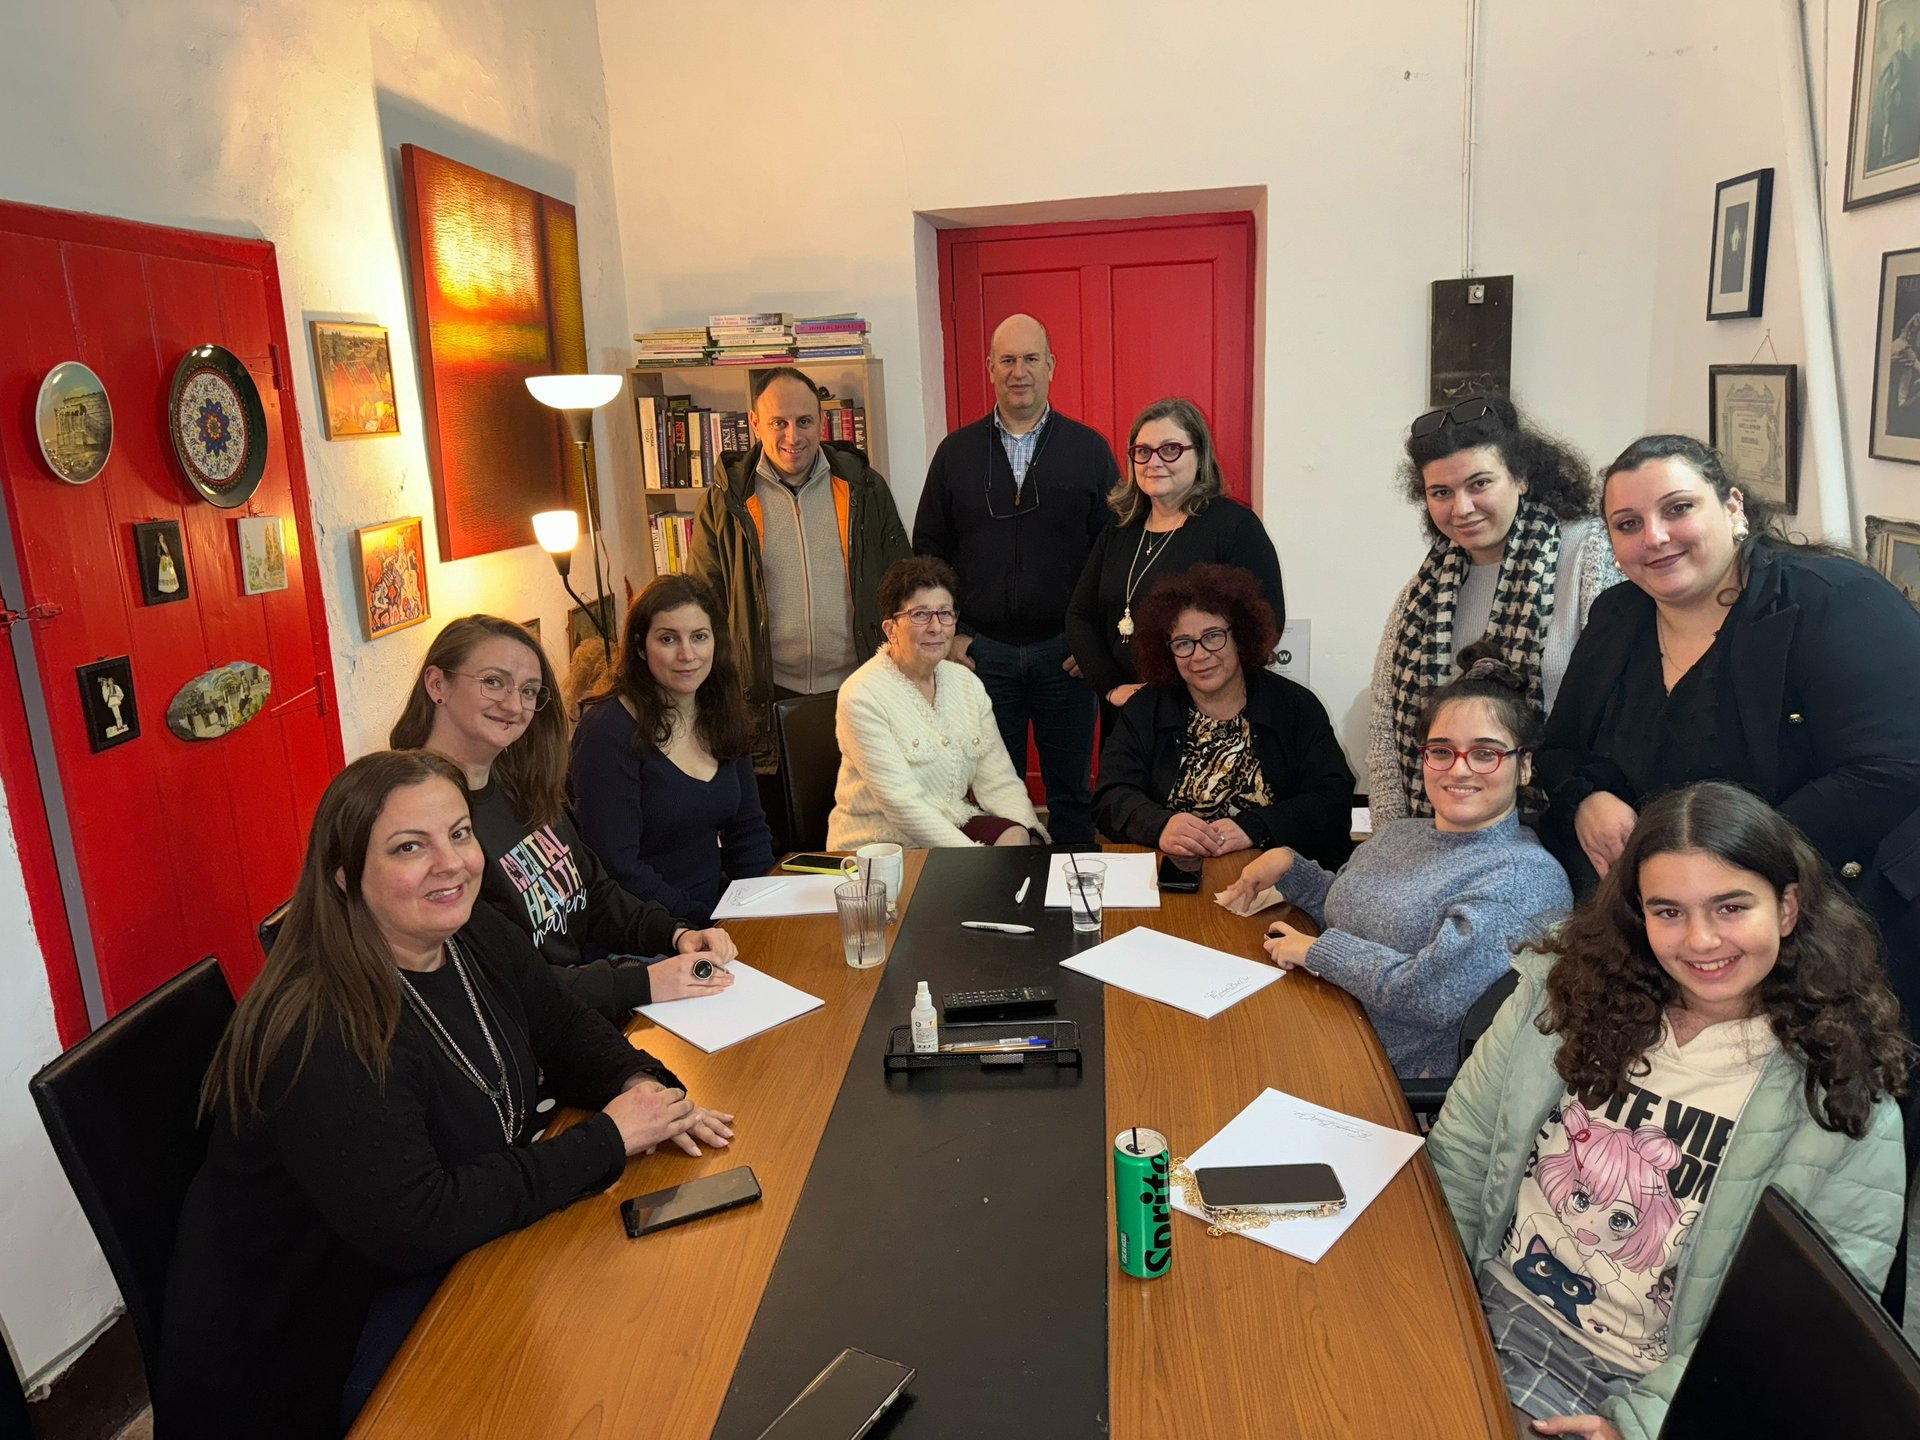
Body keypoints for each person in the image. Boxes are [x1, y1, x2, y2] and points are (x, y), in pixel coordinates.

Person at [155, 750, 736, 1437]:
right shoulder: (322, 1030)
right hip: (308, 1352)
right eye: (410, 847)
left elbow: (565, 1028)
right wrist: (608, 1138)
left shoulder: (470, 933)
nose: (452, 863)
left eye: (460, 834)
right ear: (344, 877)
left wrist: (640, 1085)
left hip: (430, 1263)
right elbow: (419, 1222)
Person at [1428, 781, 1907, 1439]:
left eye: (1731, 907)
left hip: (1654, 1385)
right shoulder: (1562, 997)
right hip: (1491, 1308)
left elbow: (1799, 1335)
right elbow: (1461, 1151)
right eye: (1669, 912)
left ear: (1788, 908)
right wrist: (1426, 1302)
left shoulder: (1844, 1099)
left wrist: (1640, 1423)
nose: (1701, 941)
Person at [1535, 434, 1920, 1033]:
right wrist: (1588, 797)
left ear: (1734, 507)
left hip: (1832, 932)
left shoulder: (1834, 601)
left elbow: (1891, 772)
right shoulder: (1617, 615)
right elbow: (1558, 750)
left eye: (1678, 508)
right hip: (1663, 943)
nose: (1655, 537)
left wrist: (1722, 869)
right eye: (1628, 523)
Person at [1224, 646, 1571, 1079]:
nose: (1459, 770)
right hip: (1312, 1018)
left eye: (1485, 753)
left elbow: (1429, 994)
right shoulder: (1401, 833)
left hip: (1373, 1075)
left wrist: (1318, 951)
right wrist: (1293, 870)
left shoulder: (1522, 878)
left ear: (1523, 767)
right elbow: (1353, 910)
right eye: (1442, 751)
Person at [391, 615, 736, 1020]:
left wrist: (677, 934)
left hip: (588, 1007)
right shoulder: (420, 818)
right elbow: (497, 983)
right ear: (437, 685)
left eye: (529, 691)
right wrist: (644, 981)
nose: (514, 705)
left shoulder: (520, 782)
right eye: (493, 681)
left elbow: (595, 891)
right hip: (539, 1030)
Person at [913, 313, 1118, 846]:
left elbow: (1116, 552)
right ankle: (1001, 908)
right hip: (982, 657)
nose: (1019, 371)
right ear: (990, 369)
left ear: (1051, 366)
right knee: (985, 797)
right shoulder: (955, 454)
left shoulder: (1089, 450)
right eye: (1007, 360)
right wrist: (951, 634)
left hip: (1065, 656)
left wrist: (1094, 639)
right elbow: (928, 553)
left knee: (1072, 794)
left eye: (1030, 359)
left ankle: (1078, 913)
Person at [1368, 394, 1622, 822]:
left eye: (1479, 483)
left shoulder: (1588, 554)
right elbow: (1386, 740)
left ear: (1521, 477)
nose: (1461, 508)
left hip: (1571, 827)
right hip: (1441, 837)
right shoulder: (1422, 592)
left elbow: (1620, 708)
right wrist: (1394, 843)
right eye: (1441, 492)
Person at [689, 365, 910, 842]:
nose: (794, 435)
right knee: (783, 843)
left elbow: (903, 584)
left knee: (864, 838)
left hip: (858, 690)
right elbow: (702, 604)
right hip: (766, 699)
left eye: (805, 421)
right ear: (754, 423)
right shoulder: (724, 502)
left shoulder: (864, 489)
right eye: (779, 423)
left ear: (822, 422)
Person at [1094, 564, 1351, 867]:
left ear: (1239, 636)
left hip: (1277, 877)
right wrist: (1160, 825)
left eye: (1213, 636)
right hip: (1175, 874)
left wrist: (1255, 827)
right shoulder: (1146, 709)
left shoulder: (1295, 706)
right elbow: (1110, 795)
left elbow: (1333, 798)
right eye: (1183, 643)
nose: (1199, 655)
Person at [1065, 398, 1284, 730]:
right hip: (1128, 715)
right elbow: (1079, 615)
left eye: (1170, 450)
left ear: (1199, 455)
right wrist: (1111, 688)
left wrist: (1188, 692)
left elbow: (1264, 624)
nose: (1154, 462)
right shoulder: (1120, 531)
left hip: (1205, 717)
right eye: (1143, 451)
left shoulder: (1235, 527)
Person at [569, 575, 774, 926]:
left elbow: (748, 831)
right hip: (650, 932)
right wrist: (706, 924)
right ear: (639, 647)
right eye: (668, 639)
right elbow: (619, 868)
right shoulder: (607, 732)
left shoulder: (721, 709)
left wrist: (757, 914)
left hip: (720, 917)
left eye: (699, 637)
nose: (687, 655)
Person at [827, 555, 1045, 849]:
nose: (936, 627)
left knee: (1017, 837)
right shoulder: (862, 694)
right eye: (920, 615)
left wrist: (1032, 838)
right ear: (891, 629)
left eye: (945, 613)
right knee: (986, 875)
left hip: (950, 823)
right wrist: (973, 860)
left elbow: (999, 781)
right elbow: (903, 806)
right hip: (881, 845)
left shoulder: (966, 683)